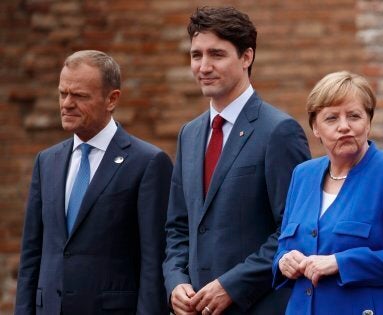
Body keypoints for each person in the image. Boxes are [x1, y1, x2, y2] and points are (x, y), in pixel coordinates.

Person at [162, 6, 311, 315]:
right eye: (196, 55)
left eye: (216, 54)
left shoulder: (279, 132)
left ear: (247, 57)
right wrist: (176, 282)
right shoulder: (188, 135)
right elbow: (178, 227)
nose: (204, 66)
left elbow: (293, 231)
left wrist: (232, 285)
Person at [14, 50, 173, 314]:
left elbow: (154, 261)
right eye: (63, 93)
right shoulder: (46, 161)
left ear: (112, 99)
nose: (66, 104)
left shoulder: (149, 163)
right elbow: (32, 253)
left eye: (79, 96)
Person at [272, 71, 383, 314]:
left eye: (354, 116)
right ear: (315, 127)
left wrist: (340, 262)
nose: (344, 126)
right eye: (331, 118)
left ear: (368, 122)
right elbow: (285, 246)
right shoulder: (303, 175)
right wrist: (284, 261)